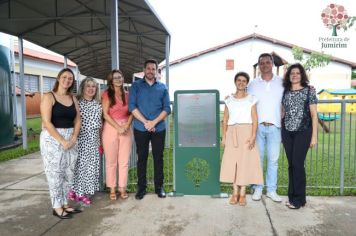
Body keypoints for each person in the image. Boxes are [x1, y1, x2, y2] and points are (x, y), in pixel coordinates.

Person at [40, 68, 81, 219]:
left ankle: (64, 203)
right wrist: (62, 141)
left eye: (70, 78)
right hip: (53, 139)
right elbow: (46, 122)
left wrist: (74, 137)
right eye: (64, 77)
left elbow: (77, 119)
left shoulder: (73, 98)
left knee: (68, 173)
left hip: (71, 138)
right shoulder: (48, 96)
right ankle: (56, 207)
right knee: (55, 174)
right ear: (58, 78)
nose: (67, 80)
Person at [129, 59, 171, 200]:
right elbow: (132, 107)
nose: (151, 71)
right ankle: (141, 188)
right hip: (141, 127)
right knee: (142, 157)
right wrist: (146, 122)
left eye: (153, 69)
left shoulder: (163, 87)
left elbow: (167, 108)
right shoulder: (135, 86)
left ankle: (159, 187)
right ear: (144, 70)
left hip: (159, 128)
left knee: (158, 158)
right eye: (148, 68)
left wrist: (154, 122)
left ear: (157, 71)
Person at [220, 72, 263, 206]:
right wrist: (224, 136)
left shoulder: (252, 99)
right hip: (232, 132)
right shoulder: (228, 100)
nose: (241, 82)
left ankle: (243, 193)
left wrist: (253, 136)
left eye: (244, 81)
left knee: (244, 162)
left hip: (246, 132)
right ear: (235, 82)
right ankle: (235, 192)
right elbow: (225, 119)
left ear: (247, 83)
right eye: (239, 80)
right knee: (233, 162)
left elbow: (255, 118)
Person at [248, 53, 284, 202]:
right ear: (259, 66)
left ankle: (271, 190)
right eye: (261, 63)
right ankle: (257, 188)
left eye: (267, 63)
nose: (265, 65)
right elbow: (246, 102)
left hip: (275, 126)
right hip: (258, 128)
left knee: (273, 160)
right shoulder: (253, 84)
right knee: (257, 159)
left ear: (272, 64)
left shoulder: (282, 82)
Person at [281, 63, 318, 209]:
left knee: (297, 164)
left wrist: (314, 136)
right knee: (291, 165)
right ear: (288, 76)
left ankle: (299, 200)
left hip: (303, 132)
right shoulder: (285, 92)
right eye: (292, 73)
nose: (294, 75)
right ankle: (293, 197)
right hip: (287, 132)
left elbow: (314, 115)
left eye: (297, 73)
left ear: (302, 75)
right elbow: (283, 112)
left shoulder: (309, 91)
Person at [102, 69, 133, 200]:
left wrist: (126, 125)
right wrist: (117, 127)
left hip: (126, 129)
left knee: (124, 161)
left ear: (123, 78)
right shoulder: (106, 94)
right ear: (111, 80)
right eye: (115, 78)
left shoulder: (128, 94)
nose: (118, 79)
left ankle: (122, 188)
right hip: (110, 128)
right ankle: (112, 188)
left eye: (120, 77)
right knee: (111, 161)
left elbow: (132, 111)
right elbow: (105, 114)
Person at [72, 77, 102, 205]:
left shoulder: (98, 104)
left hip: (94, 139)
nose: (91, 89)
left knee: (92, 167)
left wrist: (100, 141)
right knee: (81, 167)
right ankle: (79, 193)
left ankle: (82, 191)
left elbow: (100, 124)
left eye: (93, 86)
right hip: (81, 138)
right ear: (83, 88)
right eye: (88, 86)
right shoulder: (77, 103)